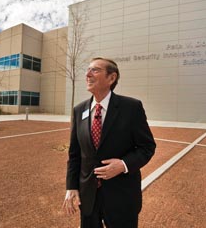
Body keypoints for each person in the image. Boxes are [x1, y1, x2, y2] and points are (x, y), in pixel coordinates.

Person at [62, 57, 156, 228]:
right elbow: (75, 154)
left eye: (95, 70)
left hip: (122, 196)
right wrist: (71, 187)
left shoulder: (131, 107)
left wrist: (123, 164)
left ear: (111, 78)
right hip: (88, 197)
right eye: (88, 69)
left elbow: (147, 147)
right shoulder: (79, 110)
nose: (87, 74)